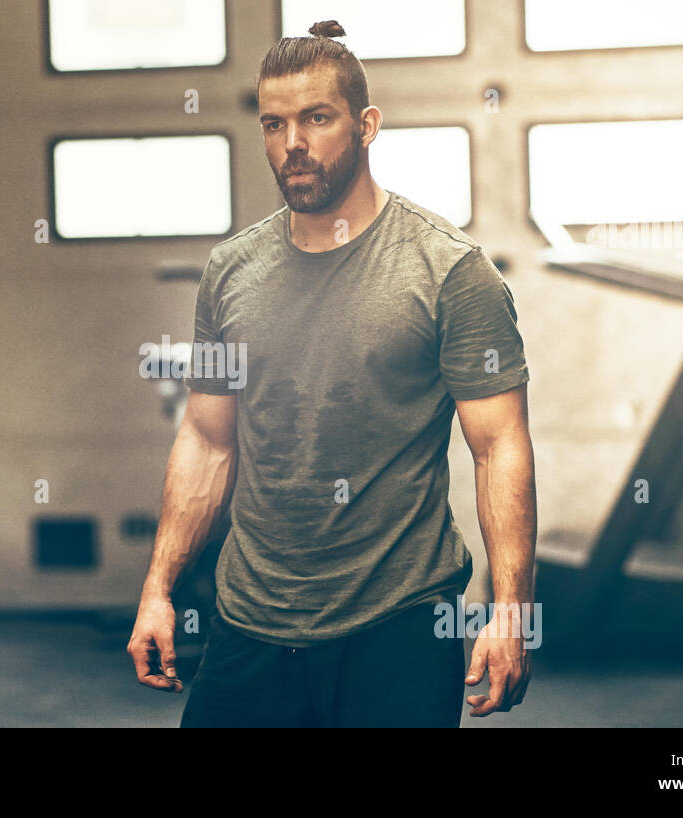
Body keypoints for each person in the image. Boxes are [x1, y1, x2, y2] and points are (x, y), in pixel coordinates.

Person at [126, 20, 537, 727]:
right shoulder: (231, 273)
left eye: (317, 118)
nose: (294, 143)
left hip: (397, 623)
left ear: (366, 124)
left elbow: (499, 446)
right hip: (251, 620)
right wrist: (159, 586)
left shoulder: (447, 272)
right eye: (275, 123)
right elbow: (207, 439)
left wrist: (510, 612)